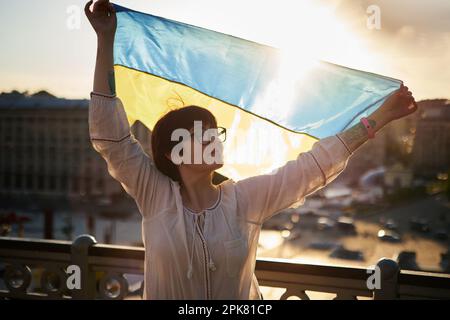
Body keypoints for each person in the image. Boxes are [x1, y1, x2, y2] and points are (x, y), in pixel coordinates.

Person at [85, 0, 418, 299]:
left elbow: (315, 165)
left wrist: (381, 116)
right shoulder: (154, 194)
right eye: (201, 135)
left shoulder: (244, 200)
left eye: (215, 133)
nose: (213, 139)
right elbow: (110, 136)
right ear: (174, 153)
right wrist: (105, 40)